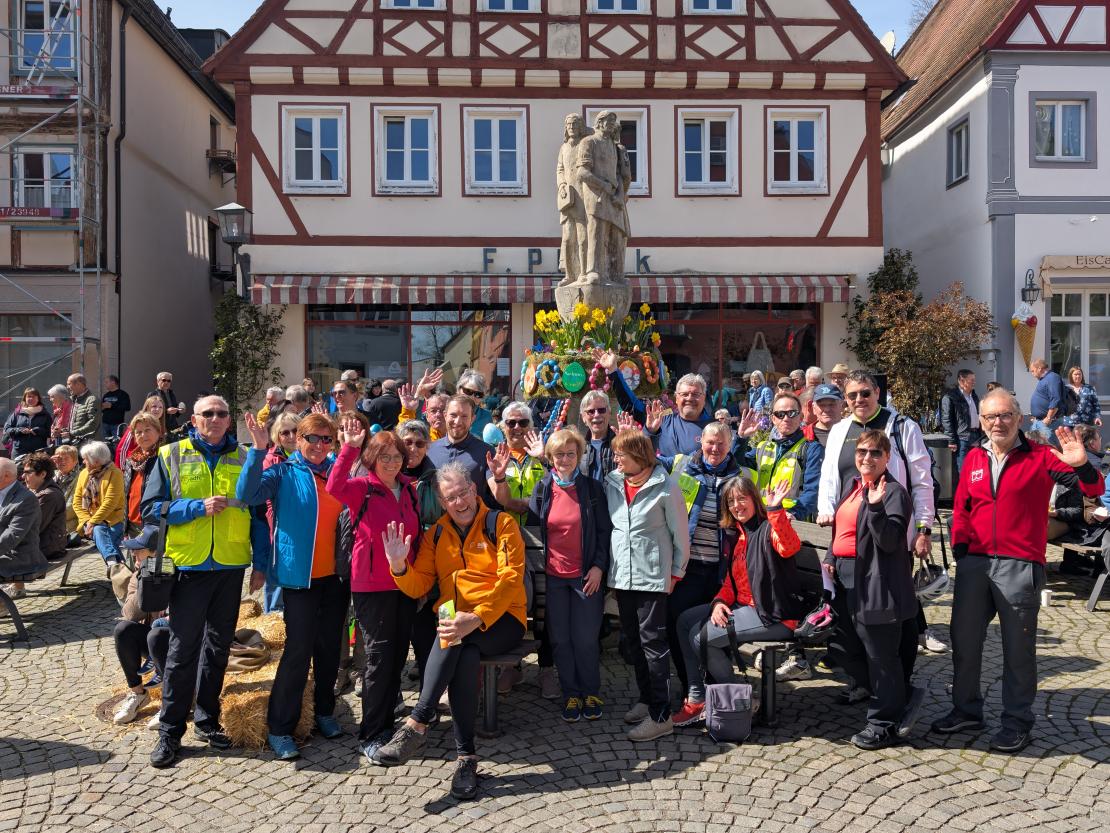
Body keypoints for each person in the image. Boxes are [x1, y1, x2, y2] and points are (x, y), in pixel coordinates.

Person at [933, 395, 1104, 752]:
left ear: (1020, 418)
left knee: (1018, 650)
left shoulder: (1041, 457)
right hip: (975, 564)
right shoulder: (975, 458)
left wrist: (1083, 465)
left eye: (1006, 415)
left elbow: (1094, 490)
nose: (999, 422)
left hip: (1019, 564)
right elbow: (962, 508)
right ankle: (966, 710)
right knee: (964, 643)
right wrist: (963, 552)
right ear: (980, 420)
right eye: (991, 416)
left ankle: (1016, 722)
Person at [374, 462, 526, 803]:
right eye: (451, 498)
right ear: (442, 503)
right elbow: (420, 585)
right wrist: (399, 566)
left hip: (501, 618)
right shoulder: (436, 534)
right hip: (455, 622)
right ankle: (466, 759)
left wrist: (477, 617)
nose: (459, 502)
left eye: (463, 493)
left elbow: (510, 579)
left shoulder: (500, 524)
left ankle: (418, 721)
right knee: (464, 650)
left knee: (455, 637)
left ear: (474, 490)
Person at [141, 394, 253, 769]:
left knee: (219, 647)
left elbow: (257, 510)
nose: (217, 419)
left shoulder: (243, 456)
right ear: (194, 418)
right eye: (209, 413)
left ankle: (207, 719)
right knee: (182, 649)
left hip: (231, 564)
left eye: (223, 413)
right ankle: (170, 731)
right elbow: (150, 510)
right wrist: (194, 507)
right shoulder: (171, 453)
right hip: (189, 567)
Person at [238, 412, 351, 761]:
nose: (319, 445)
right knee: (299, 650)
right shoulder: (284, 472)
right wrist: (257, 451)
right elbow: (248, 494)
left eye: (325, 439)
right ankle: (279, 727)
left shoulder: (336, 470)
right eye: (312, 438)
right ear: (297, 440)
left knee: (330, 647)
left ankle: (324, 712)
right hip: (300, 578)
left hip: (336, 576)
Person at [816, 370, 944, 655]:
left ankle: (899, 674)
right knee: (853, 608)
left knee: (894, 606)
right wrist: (825, 509)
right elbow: (828, 477)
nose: (859, 399)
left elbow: (922, 482)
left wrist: (923, 530)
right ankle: (864, 677)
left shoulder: (901, 426)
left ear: (877, 392)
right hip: (851, 536)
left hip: (890, 532)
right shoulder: (839, 430)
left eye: (865, 393)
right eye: (852, 395)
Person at [322, 418, 421, 764]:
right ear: (373, 459)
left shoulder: (409, 488)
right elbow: (333, 486)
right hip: (371, 586)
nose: (391, 462)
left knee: (396, 654)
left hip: (404, 581)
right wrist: (349, 446)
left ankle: (387, 718)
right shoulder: (361, 486)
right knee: (378, 657)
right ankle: (371, 733)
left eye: (396, 455)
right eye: (384, 456)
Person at [672, 477, 801, 727]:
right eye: (731, 501)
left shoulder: (767, 528)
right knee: (684, 621)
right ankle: (697, 695)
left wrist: (775, 509)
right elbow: (732, 582)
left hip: (773, 614)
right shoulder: (740, 536)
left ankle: (738, 696)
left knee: (702, 638)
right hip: (746, 608)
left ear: (755, 499)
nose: (737, 505)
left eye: (742, 498)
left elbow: (789, 546)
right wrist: (719, 602)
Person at [824, 429, 920, 750]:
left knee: (881, 655)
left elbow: (891, 540)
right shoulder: (854, 488)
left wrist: (877, 508)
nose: (867, 458)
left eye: (875, 453)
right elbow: (842, 527)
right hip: (845, 578)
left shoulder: (893, 492)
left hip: (876, 583)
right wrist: (830, 556)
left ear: (887, 458)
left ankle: (884, 722)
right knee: (841, 645)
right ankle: (897, 694)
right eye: (862, 452)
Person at [605, 430, 690, 741]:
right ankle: (646, 698)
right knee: (632, 642)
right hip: (623, 577)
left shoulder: (666, 487)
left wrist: (675, 574)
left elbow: (681, 536)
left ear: (638, 457)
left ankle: (661, 714)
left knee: (653, 646)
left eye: (621, 454)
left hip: (654, 578)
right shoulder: (614, 483)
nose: (616, 459)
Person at [527, 428, 611, 721]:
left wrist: (599, 566)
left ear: (579, 455)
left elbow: (604, 532)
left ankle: (590, 691)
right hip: (553, 578)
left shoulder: (592, 489)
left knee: (585, 638)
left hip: (586, 575)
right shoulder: (543, 488)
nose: (565, 459)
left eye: (570, 453)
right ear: (550, 457)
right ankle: (570, 694)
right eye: (559, 454)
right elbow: (535, 528)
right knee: (561, 639)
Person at [658, 422, 744, 693]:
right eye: (710, 442)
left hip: (722, 571)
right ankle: (689, 685)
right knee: (675, 622)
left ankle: (718, 689)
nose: (715, 448)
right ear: (701, 442)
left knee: (720, 629)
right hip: (690, 566)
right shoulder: (685, 470)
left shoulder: (740, 477)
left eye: (721, 443)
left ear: (730, 446)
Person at [396, 418, 443, 687]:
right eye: (407, 442)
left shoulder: (436, 480)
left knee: (426, 632)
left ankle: (430, 691)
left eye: (419, 443)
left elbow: (441, 525)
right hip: (395, 568)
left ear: (427, 447)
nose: (412, 448)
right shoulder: (386, 474)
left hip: (427, 568)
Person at [598, 349, 713, 457]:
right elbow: (631, 405)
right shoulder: (662, 420)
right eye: (684, 394)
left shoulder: (714, 428)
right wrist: (613, 371)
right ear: (676, 398)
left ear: (704, 398)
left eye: (696, 394)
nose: (690, 398)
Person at [111, 531, 171, 725]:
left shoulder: (176, 571)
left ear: (155, 552)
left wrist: (161, 576)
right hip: (154, 641)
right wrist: (145, 579)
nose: (134, 555)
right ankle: (138, 693)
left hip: (178, 639)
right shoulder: (138, 575)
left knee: (158, 632)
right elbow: (129, 614)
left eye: (139, 550)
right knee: (123, 630)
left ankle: (171, 703)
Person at [426, 394, 496, 509]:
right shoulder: (430, 450)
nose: (458, 422)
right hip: (437, 525)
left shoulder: (486, 451)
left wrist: (500, 478)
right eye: (453, 415)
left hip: (473, 524)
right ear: (445, 415)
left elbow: (498, 494)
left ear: (472, 419)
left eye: (464, 416)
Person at [73, 441, 126, 576]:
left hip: (113, 520)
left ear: (96, 461)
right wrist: (87, 521)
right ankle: (118, 568)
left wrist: (93, 522)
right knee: (99, 531)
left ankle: (113, 564)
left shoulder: (115, 473)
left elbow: (110, 502)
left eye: (86, 459)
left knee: (99, 531)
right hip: (88, 522)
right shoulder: (84, 474)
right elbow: (77, 502)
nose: (83, 462)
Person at [0, 458, 47, 601]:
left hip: (20, 556)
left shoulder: (25, 499)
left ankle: (1, 604)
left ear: (6, 476)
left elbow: (13, 535)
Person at [120, 413, 163, 538]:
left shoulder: (165, 457)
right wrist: (125, 527)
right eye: (138, 432)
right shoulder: (131, 460)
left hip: (155, 525)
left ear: (158, 432)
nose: (143, 435)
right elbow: (127, 494)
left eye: (147, 430)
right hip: (134, 524)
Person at [22, 453, 66, 562]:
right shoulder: (37, 491)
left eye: (28, 472)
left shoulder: (48, 495)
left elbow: (33, 527)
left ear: (42, 474)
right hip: (41, 543)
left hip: (47, 547)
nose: (23, 476)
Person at [940, 370, 981, 480]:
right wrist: (951, 440)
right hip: (961, 438)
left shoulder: (974, 396)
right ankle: (963, 495)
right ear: (962, 381)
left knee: (976, 469)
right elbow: (946, 419)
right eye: (971, 380)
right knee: (962, 470)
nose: (974, 382)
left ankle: (973, 494)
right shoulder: (950, 397)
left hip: (976, 436)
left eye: (974, 380)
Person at [115, 395, 169, 467]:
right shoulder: (137, 425)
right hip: (134, 468)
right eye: (154, 406)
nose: (157, 409)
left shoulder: (162, 428)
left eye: (160, 407)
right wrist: (123, 472)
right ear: (147, 408)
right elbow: (122, 450)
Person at [578, 390, 617, 481]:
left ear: (609, 412)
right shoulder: (579, 447)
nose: (596, 415)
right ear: (583, 417)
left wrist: (650, 431)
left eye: (601, 410)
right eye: (591, 411)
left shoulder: (620, 443)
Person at [3, 387, 51, 457]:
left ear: (38, 399)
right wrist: (20, 430)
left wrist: (38, 430)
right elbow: (7, 429)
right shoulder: (17, 412)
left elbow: (50, 432)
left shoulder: (45, 414)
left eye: (34, 397)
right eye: (29, 396)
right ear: (25, 398)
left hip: (38, 452)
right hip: (19, 452)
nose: (31, 399)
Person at [1028, 358, 1066, 445]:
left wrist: (1049, 417)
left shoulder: (1052, 377)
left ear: (1040, 368)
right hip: (1040, 421)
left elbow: (1055, 399)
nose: (1032, 374)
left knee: (1050, 449)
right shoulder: (1045, 379)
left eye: (1033, 371)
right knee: (1036, 449)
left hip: (1049, 423)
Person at [455, 370, 495, 440]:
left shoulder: (486, 416)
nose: (472, 397)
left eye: (478, 394)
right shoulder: (448, 410)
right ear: (459, 390)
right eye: (468, 391)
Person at [803, 384, 845, 448]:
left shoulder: (853, 432)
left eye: (832, 404)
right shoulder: (802, 435)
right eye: (821, 405)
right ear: (813, 408)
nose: (827, 409)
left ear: (842, 406)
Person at [51, 445, 80, 534]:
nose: (62, 462)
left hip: (67, 525)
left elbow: (72, 507)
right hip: (49, 519)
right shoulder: (50, 476)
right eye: (59, 459)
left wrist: (49, 515)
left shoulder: (80, 478)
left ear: (75, 462)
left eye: (66, 459)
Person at [66, 373, 101, 444]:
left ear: (79, 384)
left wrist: (73, 433)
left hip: (86, 444)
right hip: (74, 442)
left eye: (69, 384)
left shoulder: (92, 400)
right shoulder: (73, 400)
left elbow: (93, 423)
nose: (67, 387)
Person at [101, 375, 131, 440]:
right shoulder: (106, 395)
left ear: (113, 382)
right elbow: (102, 408)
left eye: (106, 382)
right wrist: (102, 407)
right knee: (105, 444)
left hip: (117, 424)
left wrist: (112, 406)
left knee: (116, 444)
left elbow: (127, 407)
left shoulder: (123, 394)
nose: (105, 384)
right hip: (105, 424)